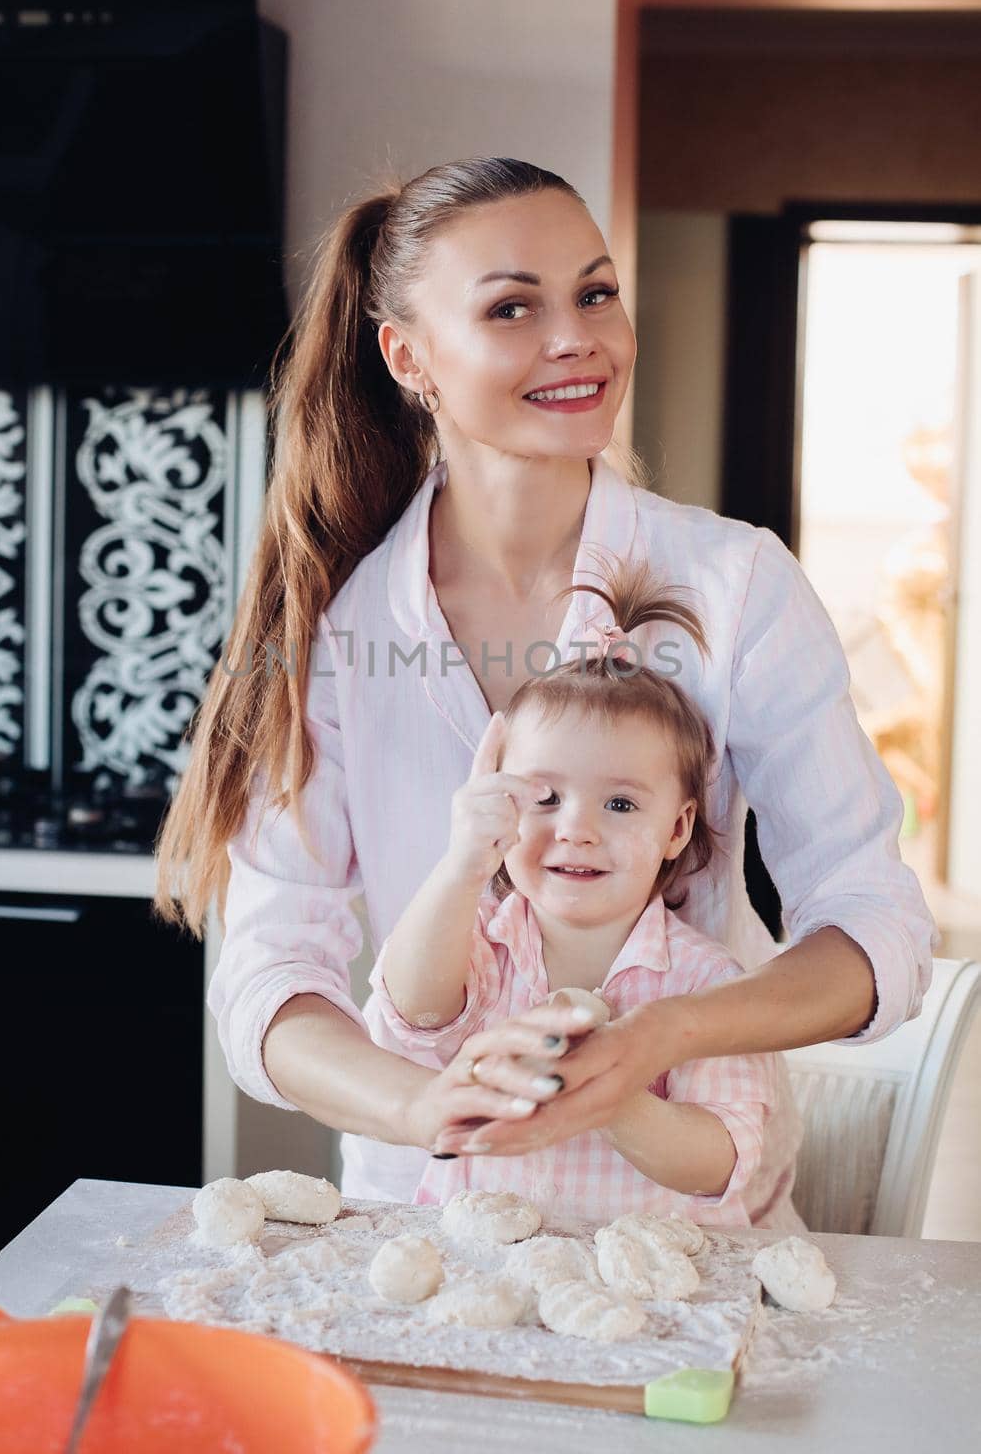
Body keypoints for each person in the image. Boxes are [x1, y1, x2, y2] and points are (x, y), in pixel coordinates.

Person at [154, 156, 938, 1233]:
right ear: (409, 356)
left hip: (679, 1230)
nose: (574, 337)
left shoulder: (734, 584)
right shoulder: (334, 629)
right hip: (427, 1224)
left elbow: (873, 924)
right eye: (512, 306)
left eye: (594, 292)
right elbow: (266, 977)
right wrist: (421, 1101)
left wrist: (665, 1035)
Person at [371, 562, 780, 1226]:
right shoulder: (478, 939)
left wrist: (610, 1090)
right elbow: (411, 1010)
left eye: (619, 803)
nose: (577, 830)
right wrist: (460, 864)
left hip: (644, 1285)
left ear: (675, 829)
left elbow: (719, 1164)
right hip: (483, 1264)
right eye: (544, 796)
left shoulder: (708, 984)